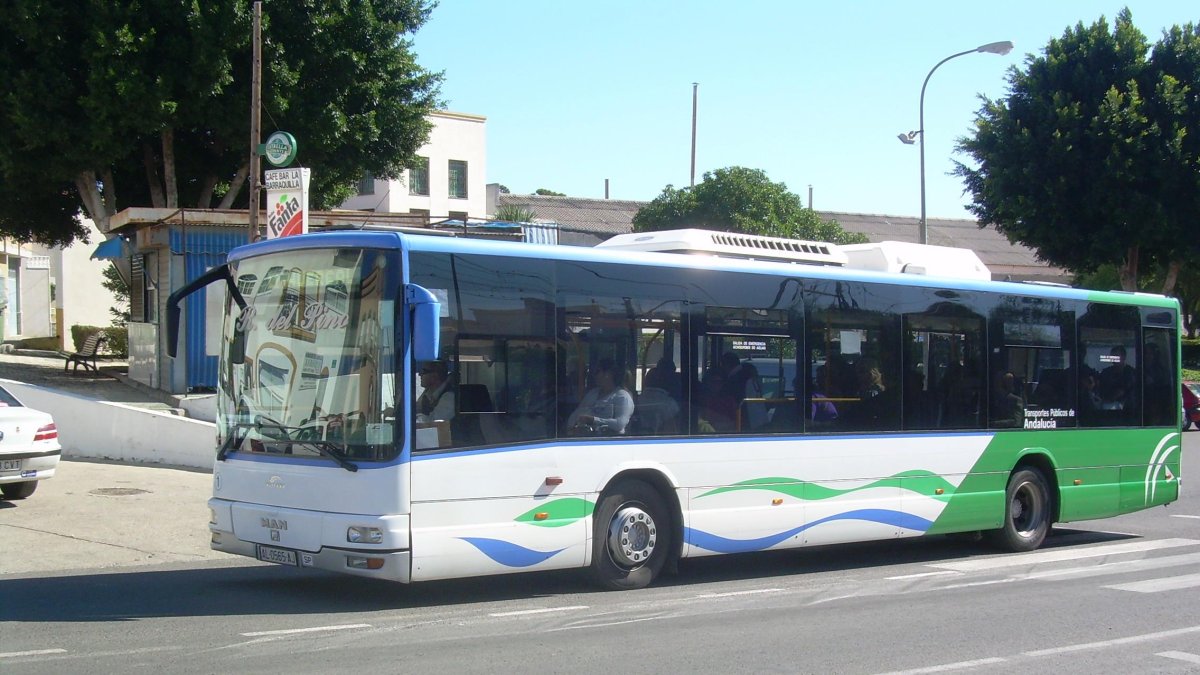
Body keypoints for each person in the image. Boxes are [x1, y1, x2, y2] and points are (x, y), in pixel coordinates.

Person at [566, 358, 634, 435]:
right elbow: (576, 414)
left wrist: (593, 420)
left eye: (597, 372)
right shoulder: (592, 394)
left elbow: (620, 424)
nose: (594, 375)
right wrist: (571, 428)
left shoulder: (622, 396)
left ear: (608, 374)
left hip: (611, 441)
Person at [1098, 345, 1136, 410]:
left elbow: (1123, 391)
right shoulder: (1106, 372)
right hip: (1106, 405)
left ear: (1123, 357)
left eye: (1116, 356)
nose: (1114, 359)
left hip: (1127, 407)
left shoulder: (1131, 372)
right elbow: (1100, 389)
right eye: (1112, 356)